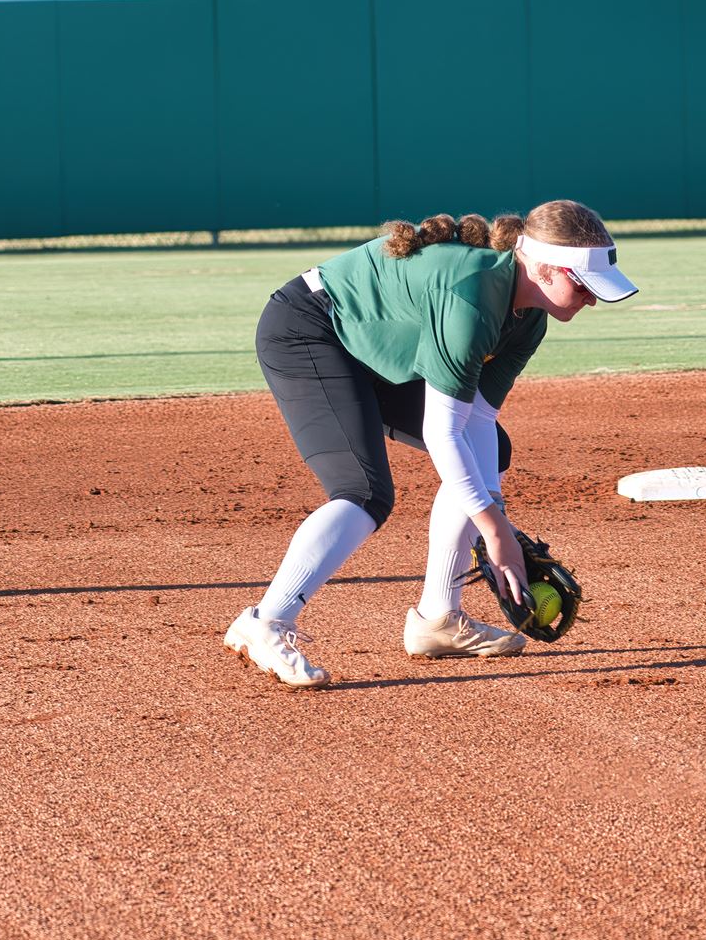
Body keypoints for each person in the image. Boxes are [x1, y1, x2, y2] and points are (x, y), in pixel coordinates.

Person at [224, 199, 638, 688]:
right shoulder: (470, 297)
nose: (591, 299)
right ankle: (266, 621)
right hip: (310, 332)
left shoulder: (528, 318)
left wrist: (494, 512)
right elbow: (442, 433)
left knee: (491, 455)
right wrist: (494, 529)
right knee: (364, 492)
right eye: (583, 285)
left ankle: (438, 619)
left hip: (377, 351)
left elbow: (477, 420)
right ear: (544, 268)